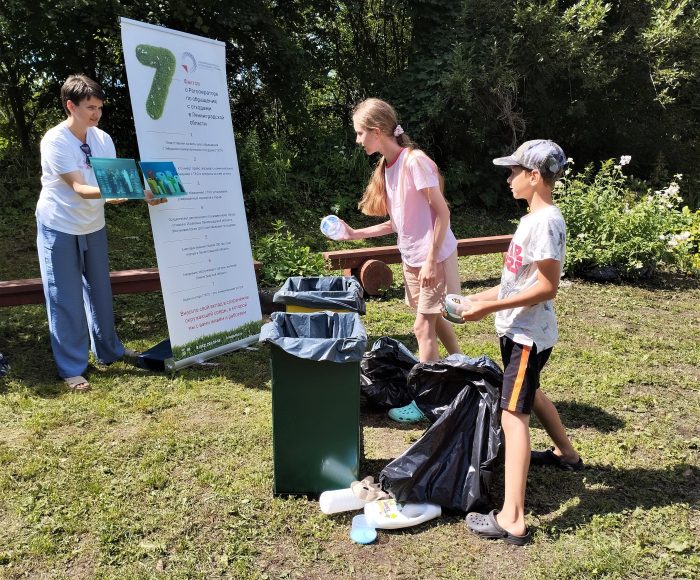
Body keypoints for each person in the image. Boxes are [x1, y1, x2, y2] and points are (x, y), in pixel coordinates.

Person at [453, 139, 583, 545]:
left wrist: (487, 310)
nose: (508, 179)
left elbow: (547, 287)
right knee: (529, 394)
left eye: (512, 172)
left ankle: (513, 518)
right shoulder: (533, 219)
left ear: (533, 176)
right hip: (519, 332)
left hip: (527, 335)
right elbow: (517, 282)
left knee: (513, 414)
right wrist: (478, 299)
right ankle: (567, 454)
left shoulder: (544, 221)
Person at [36, 74, 165, 392]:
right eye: (90, 107)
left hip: (93, 224)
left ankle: (109, 351)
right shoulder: (55, 141)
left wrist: (145, 191)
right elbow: (80, 187)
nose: (95, 114)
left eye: (99, 108)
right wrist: (124, 191)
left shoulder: (103, 139)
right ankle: (71, 368)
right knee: (64, 299)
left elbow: (115, 180)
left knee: (100, 293)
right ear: (71, 106)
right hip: (59, 225)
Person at [337, 98, 462, 421]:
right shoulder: (387, 167)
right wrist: (354, 234)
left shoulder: (414, 162)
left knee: (422, 327)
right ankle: (463, 368)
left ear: (377, 132)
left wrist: (433, 260)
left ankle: (427, 403)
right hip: (413, 259)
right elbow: (397, 222)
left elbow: (442, 213)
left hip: (433, 256)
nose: (357, 140)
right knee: (435, 320)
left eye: (359, 133)